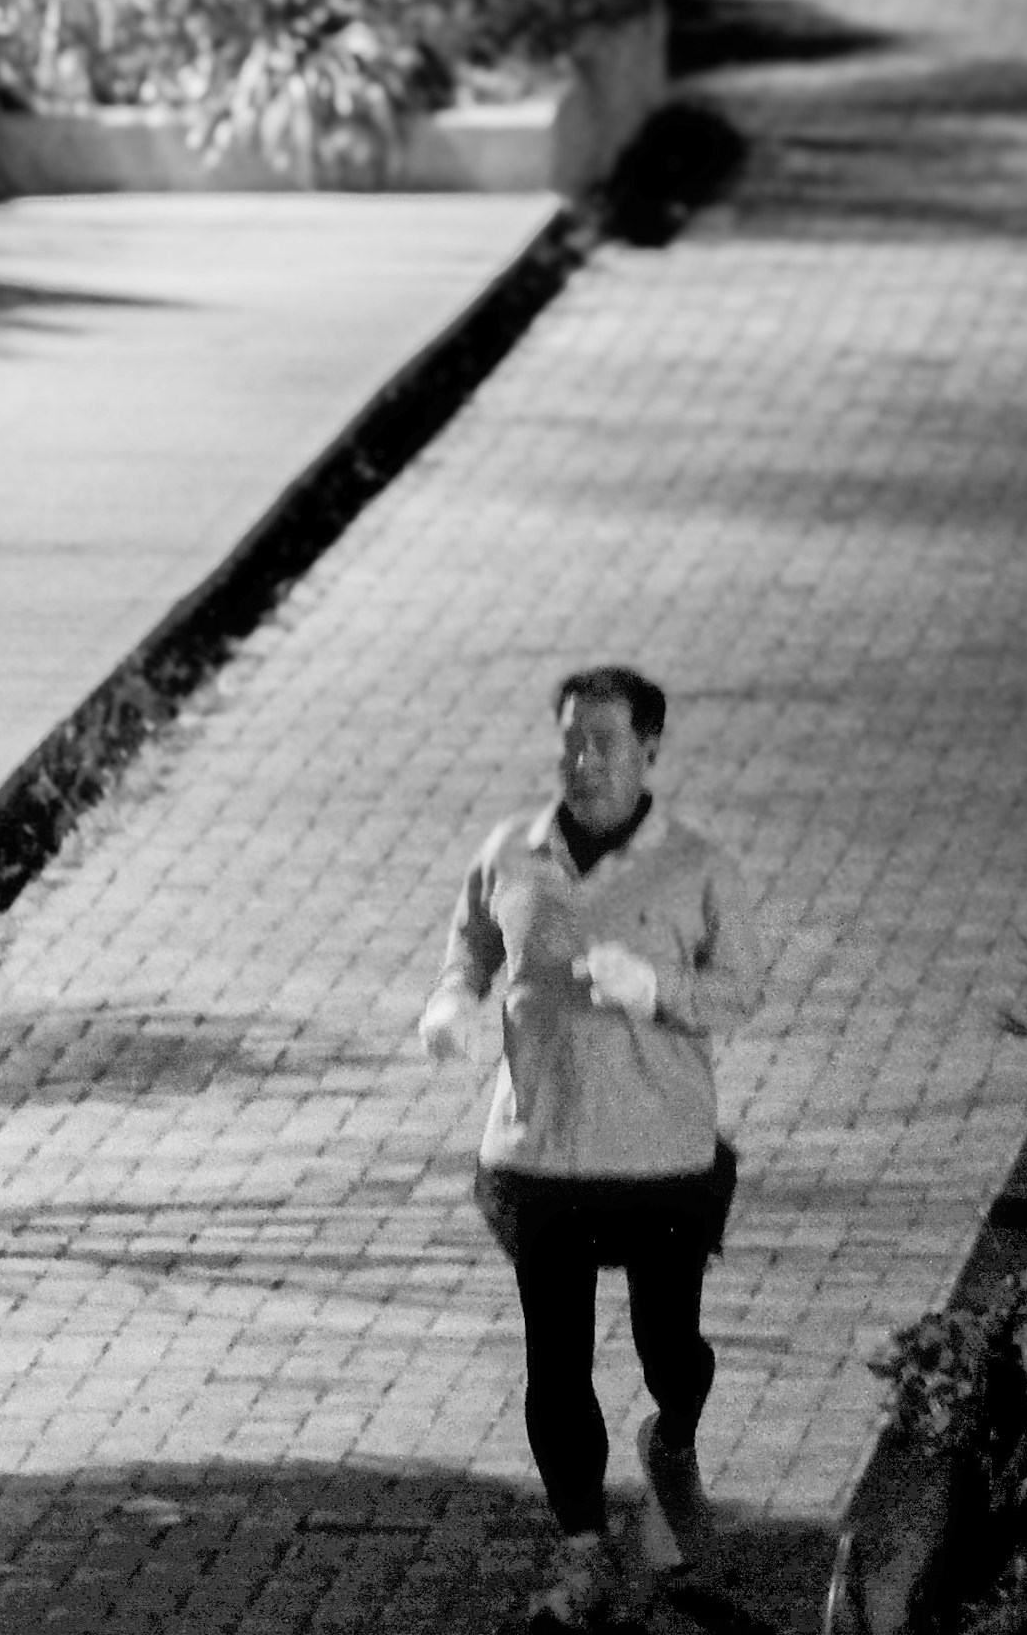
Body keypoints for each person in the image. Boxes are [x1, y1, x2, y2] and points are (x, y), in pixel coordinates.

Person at [421, 666, 769, 1629]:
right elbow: (472, 945)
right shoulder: (512, 852)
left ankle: (674, 1443)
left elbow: (744, 987)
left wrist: (659, 992)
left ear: (650, 749)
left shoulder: (697, 864)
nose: (583, 761)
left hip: (663, 1153)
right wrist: (454, 1000)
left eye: (605, 743)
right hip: (540, 1151)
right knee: (556, 1366)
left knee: (671, 1348)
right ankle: (582, 1551)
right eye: (570, 741)